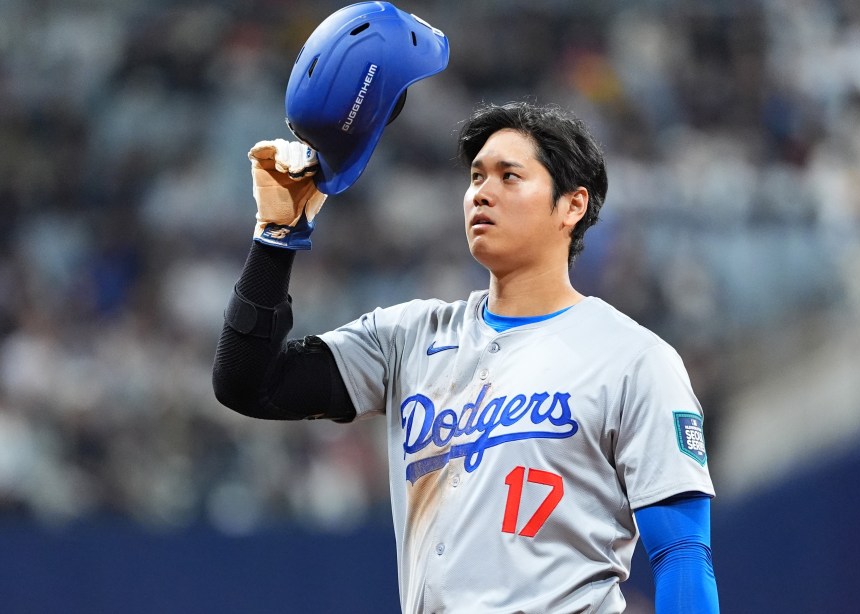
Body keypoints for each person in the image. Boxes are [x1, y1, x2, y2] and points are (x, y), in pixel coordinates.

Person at [213, 100, 720, 613]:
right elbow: (248, 383)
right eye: (477, 176)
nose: (482, 192)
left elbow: (681, 553)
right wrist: (276, 236)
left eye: (509, 176)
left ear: (572, 206)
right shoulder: (410, 337)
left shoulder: (633, 359)